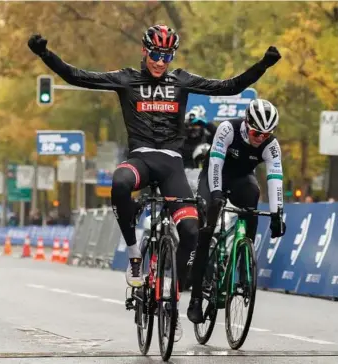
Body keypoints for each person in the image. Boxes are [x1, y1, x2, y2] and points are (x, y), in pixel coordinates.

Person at [28, 25, 281, 340]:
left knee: (190, 232)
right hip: (141, 160)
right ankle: (135, 257)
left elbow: (229, 86)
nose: (160, 61)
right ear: (144, 51)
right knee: (120, 183)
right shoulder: (126, 79)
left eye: (166, 55)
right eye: (155, 54)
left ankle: (170, 301)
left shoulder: (182, 81)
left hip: (173, 166)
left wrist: (263, 65)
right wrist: (45, 55)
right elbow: (78, 77)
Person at [187, 98, 286, 324]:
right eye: (255, 133)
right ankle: (195, 300)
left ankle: (243, 263)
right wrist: (216, 195)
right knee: (206, 229)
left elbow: (275, 178)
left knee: (253, 197)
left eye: (266, 134)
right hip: (215, 175)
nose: (260, 138)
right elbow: (214, 164)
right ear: (246, 123)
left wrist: (277, 213)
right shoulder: (227, 129)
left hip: (242, 179)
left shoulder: (271, 145)